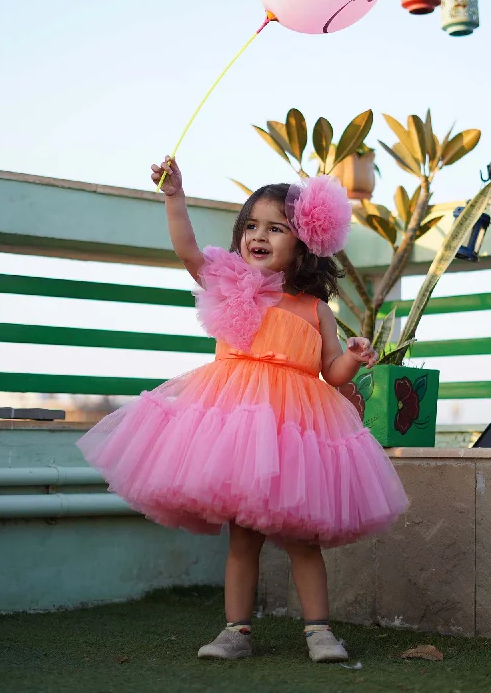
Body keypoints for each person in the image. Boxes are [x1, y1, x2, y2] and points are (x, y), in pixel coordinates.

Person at [77, 157, 408, 663]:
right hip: (236, 427)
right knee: (243, 537)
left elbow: (329, 371)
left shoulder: (315, 309)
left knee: (302, 538)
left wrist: (354, 359)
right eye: (250, 225)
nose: (259, 235)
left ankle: (319, 631)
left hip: (295, 429)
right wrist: (174, 198)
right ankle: (236, 631)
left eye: (276, 228)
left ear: (303, 242)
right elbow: (188, 251)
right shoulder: (232, 284)